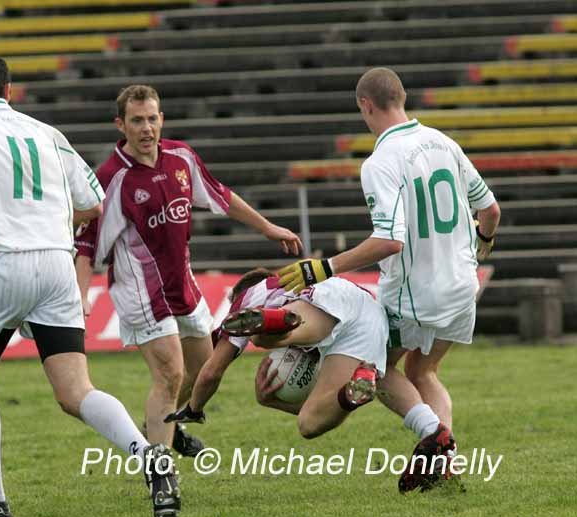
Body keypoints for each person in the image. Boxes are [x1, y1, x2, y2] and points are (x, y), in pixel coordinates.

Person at [0, 53, 180, 517]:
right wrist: (42, 223)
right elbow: (94, 202)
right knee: (75, 390)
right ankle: (149, 456)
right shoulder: (47, 133)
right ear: (9, 90)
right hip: (56, 264)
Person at [277, 67, 501, 492]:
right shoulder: (444, 142)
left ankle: (435, 439)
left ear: (366, 105)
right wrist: (481, 244)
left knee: (374, 370)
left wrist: (323, 268)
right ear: (402, 97)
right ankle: (444, 464)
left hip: (418, 294)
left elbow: (389, 242)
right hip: (463, 288)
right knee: (425, 371)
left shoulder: (381, 160)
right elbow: (490, 212)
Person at [74, 85, 303, 454]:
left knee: (200, 369)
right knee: (169, 375)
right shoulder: (112, 177)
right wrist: (81, 295)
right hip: (141, 294)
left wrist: (268, 227)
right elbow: (86, 244)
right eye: (137, 121)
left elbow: (221, 195)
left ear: (161, 118)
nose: (147, 128)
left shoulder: (181, 157)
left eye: (152, 118)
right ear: (121, 125)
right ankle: (160, 472)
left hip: (183, 285)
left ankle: (163, 424)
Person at [165, 268, 388, 440]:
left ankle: (274, 320)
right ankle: (354, 391)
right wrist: (269, 401)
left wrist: (194, 409)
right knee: (308, 424)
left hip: (323, 306)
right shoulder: (291, 279)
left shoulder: (247, 298)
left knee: (262, 339)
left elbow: (211, 373)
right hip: (368, 316)